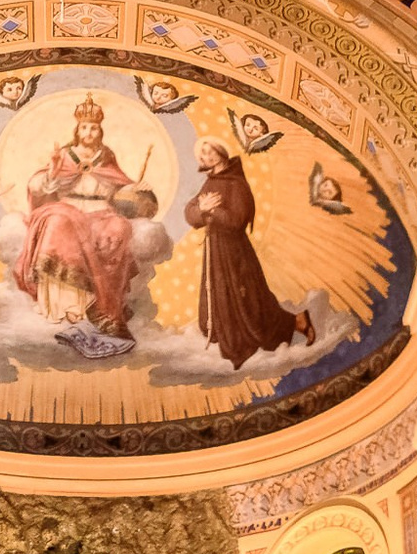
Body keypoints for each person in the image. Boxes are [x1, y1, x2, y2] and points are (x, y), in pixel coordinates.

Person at [16, 96, 155, 338]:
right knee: (58, 223)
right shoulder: (66, 155)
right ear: (77, 130)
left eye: (93, 128)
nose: (89, 132)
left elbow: (117, 186)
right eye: (84, 128)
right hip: (66, 207)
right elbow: (38, 185)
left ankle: (100, 306)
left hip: (102, 211)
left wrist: (135, 189)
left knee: (120, 227)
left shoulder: (106, 156)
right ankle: (65, 307)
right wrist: (51, 172)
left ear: (100, 131)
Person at [184, 139, 314, 367]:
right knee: (222, 296)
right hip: (215, 251)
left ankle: (296, 321)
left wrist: (211, 211)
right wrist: (202, 210)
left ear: (220, 151)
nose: (205, 156)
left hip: (235, 252)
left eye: (208, 151)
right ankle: (234, 341)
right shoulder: (210, 183)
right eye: (201, 155)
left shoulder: (236, 184)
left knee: (250, 301)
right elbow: (190, 212)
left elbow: (237, 220)